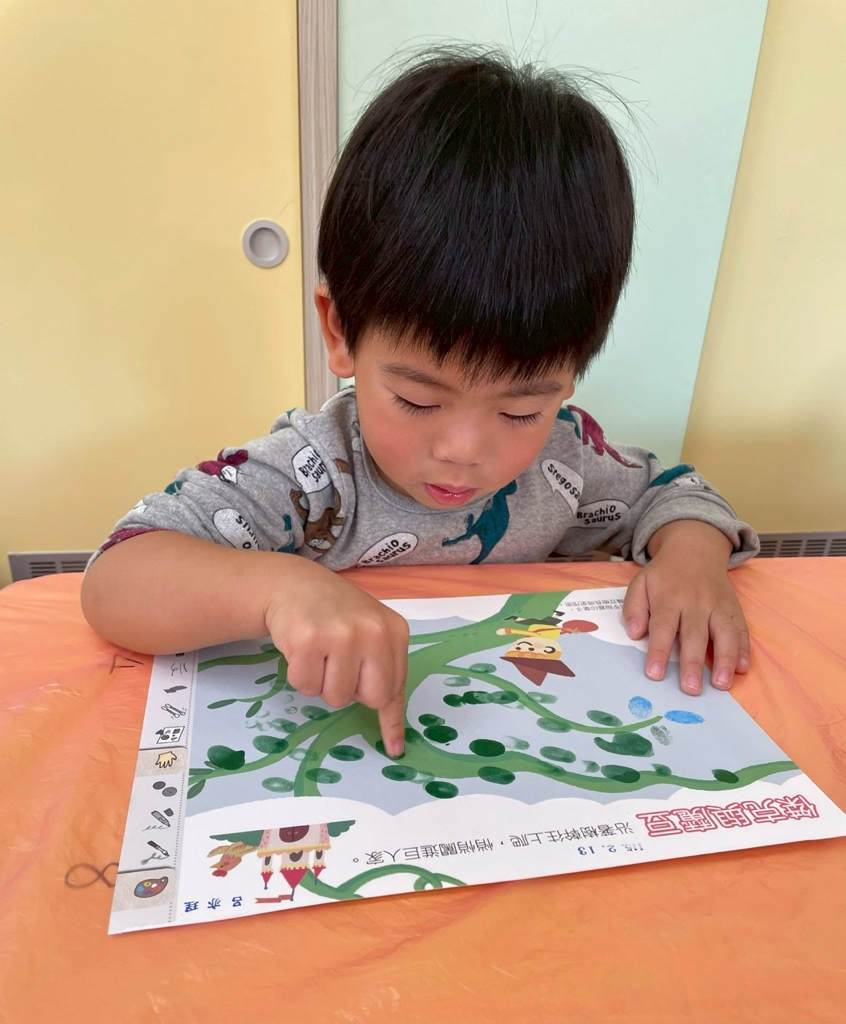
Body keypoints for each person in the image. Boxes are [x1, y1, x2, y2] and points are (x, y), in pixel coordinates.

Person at [81, 48, 758, 758]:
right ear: (340, 333)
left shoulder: (566, 460)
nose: (464, 450)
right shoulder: (312, 476)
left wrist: (691, 560)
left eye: (520, 411)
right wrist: (281, 590)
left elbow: (676, 493)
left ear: (568, 379)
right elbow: (117, 578)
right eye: (416, 399)